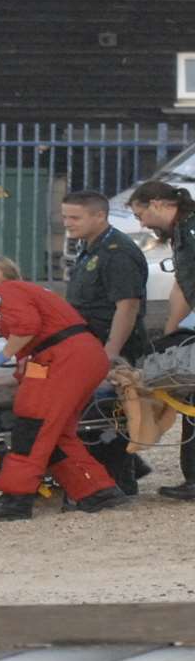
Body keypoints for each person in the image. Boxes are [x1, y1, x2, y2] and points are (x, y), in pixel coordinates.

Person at [0, 255, 129, 519]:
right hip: (79, 356)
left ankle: (15, 500)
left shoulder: (6, 290)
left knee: (33, 426)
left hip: (63, 358)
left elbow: (27, 326)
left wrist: (3, 354)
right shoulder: (23, 291)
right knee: (56, 431)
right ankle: (96, 491)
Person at [61, 190, 153, 493]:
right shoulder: (90, 246)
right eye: (65, 216)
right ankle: (125, 468)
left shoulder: (117, 251)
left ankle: (120, 479)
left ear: (99, 216)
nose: (67, 223)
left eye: (75, 217)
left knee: (109, 413)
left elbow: (127, 306)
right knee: (94, 412)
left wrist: (110, 352)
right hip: (89, 344)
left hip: (112, 345)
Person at [125, 181, 195, 501]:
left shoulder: (190, 231)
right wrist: (173, 333)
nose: (141, 224)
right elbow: (182, 286)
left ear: (157, 204)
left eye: (141, 215)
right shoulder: (183, 233)